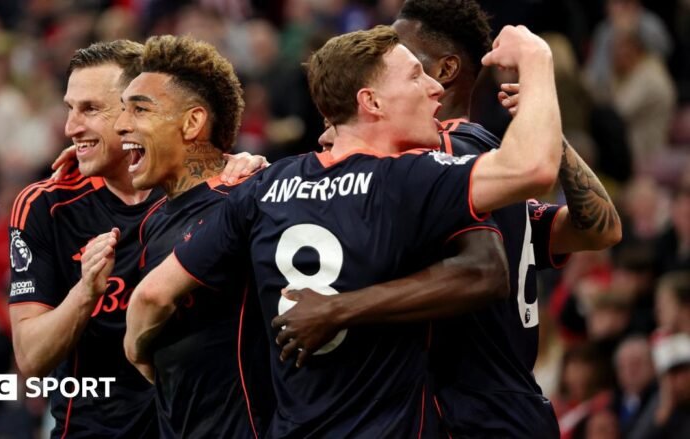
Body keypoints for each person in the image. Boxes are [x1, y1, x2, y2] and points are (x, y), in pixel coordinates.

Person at [126, 23, 563, 437]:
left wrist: (142, 359)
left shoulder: (264, 185)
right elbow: (533, 169)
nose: (435, 88)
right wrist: (537, 59)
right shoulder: (407, 179)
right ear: (371, 102)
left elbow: (151, 296)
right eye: (415, 77)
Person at [284, 1, 621, 437]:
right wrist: (547, 129)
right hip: (517, 405)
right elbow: (600, 227)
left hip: (466, 411)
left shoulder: (440, 153)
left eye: (403, 56)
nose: (384, 59)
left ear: (444, 71)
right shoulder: (483, 162)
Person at [7, 40, 263, 438]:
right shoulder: (48, 205)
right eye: (70, 108)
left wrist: (245, 171)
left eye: (91, 109)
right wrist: (85, 292)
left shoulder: (206, 192)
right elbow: (31, 357)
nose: (71, 127)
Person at [115, 34, 268, 437]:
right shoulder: (152, 221)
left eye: (139, 109)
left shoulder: (249, 199)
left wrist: (134, 346)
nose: (121, 124)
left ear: (192, 122)